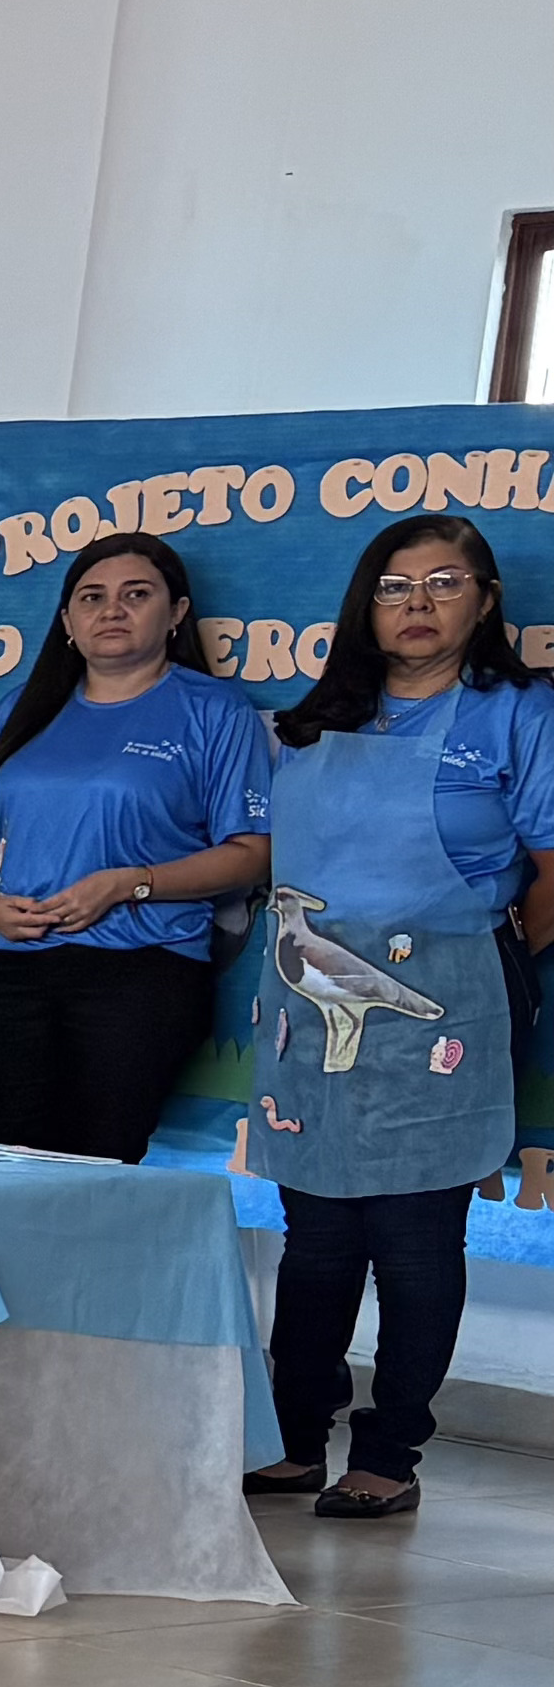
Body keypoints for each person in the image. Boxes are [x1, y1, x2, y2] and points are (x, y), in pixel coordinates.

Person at [249, 513, 554, 1518]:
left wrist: (485, 957)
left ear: (486, 601)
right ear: (365, 605)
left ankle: (390, 1452)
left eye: (444, 583)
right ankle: (294, 1437)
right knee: (317, 1236)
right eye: (394, 586)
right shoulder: (319, 720)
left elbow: (552, 864)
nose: (417, 604)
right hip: (310, 1000)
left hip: (449, 999)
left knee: (416, 1239)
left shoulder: (518, 712)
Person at [0, 528, 275, 1161]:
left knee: (101, 1158)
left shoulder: (215, 710)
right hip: (16, 966)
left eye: (136, 594)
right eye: (91, 598)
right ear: (67, 620)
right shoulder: (23, 709)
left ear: (176, 612)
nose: (112, 610)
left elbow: (252, 853)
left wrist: (129, 884)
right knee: (7, 1156)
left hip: (143, 968)